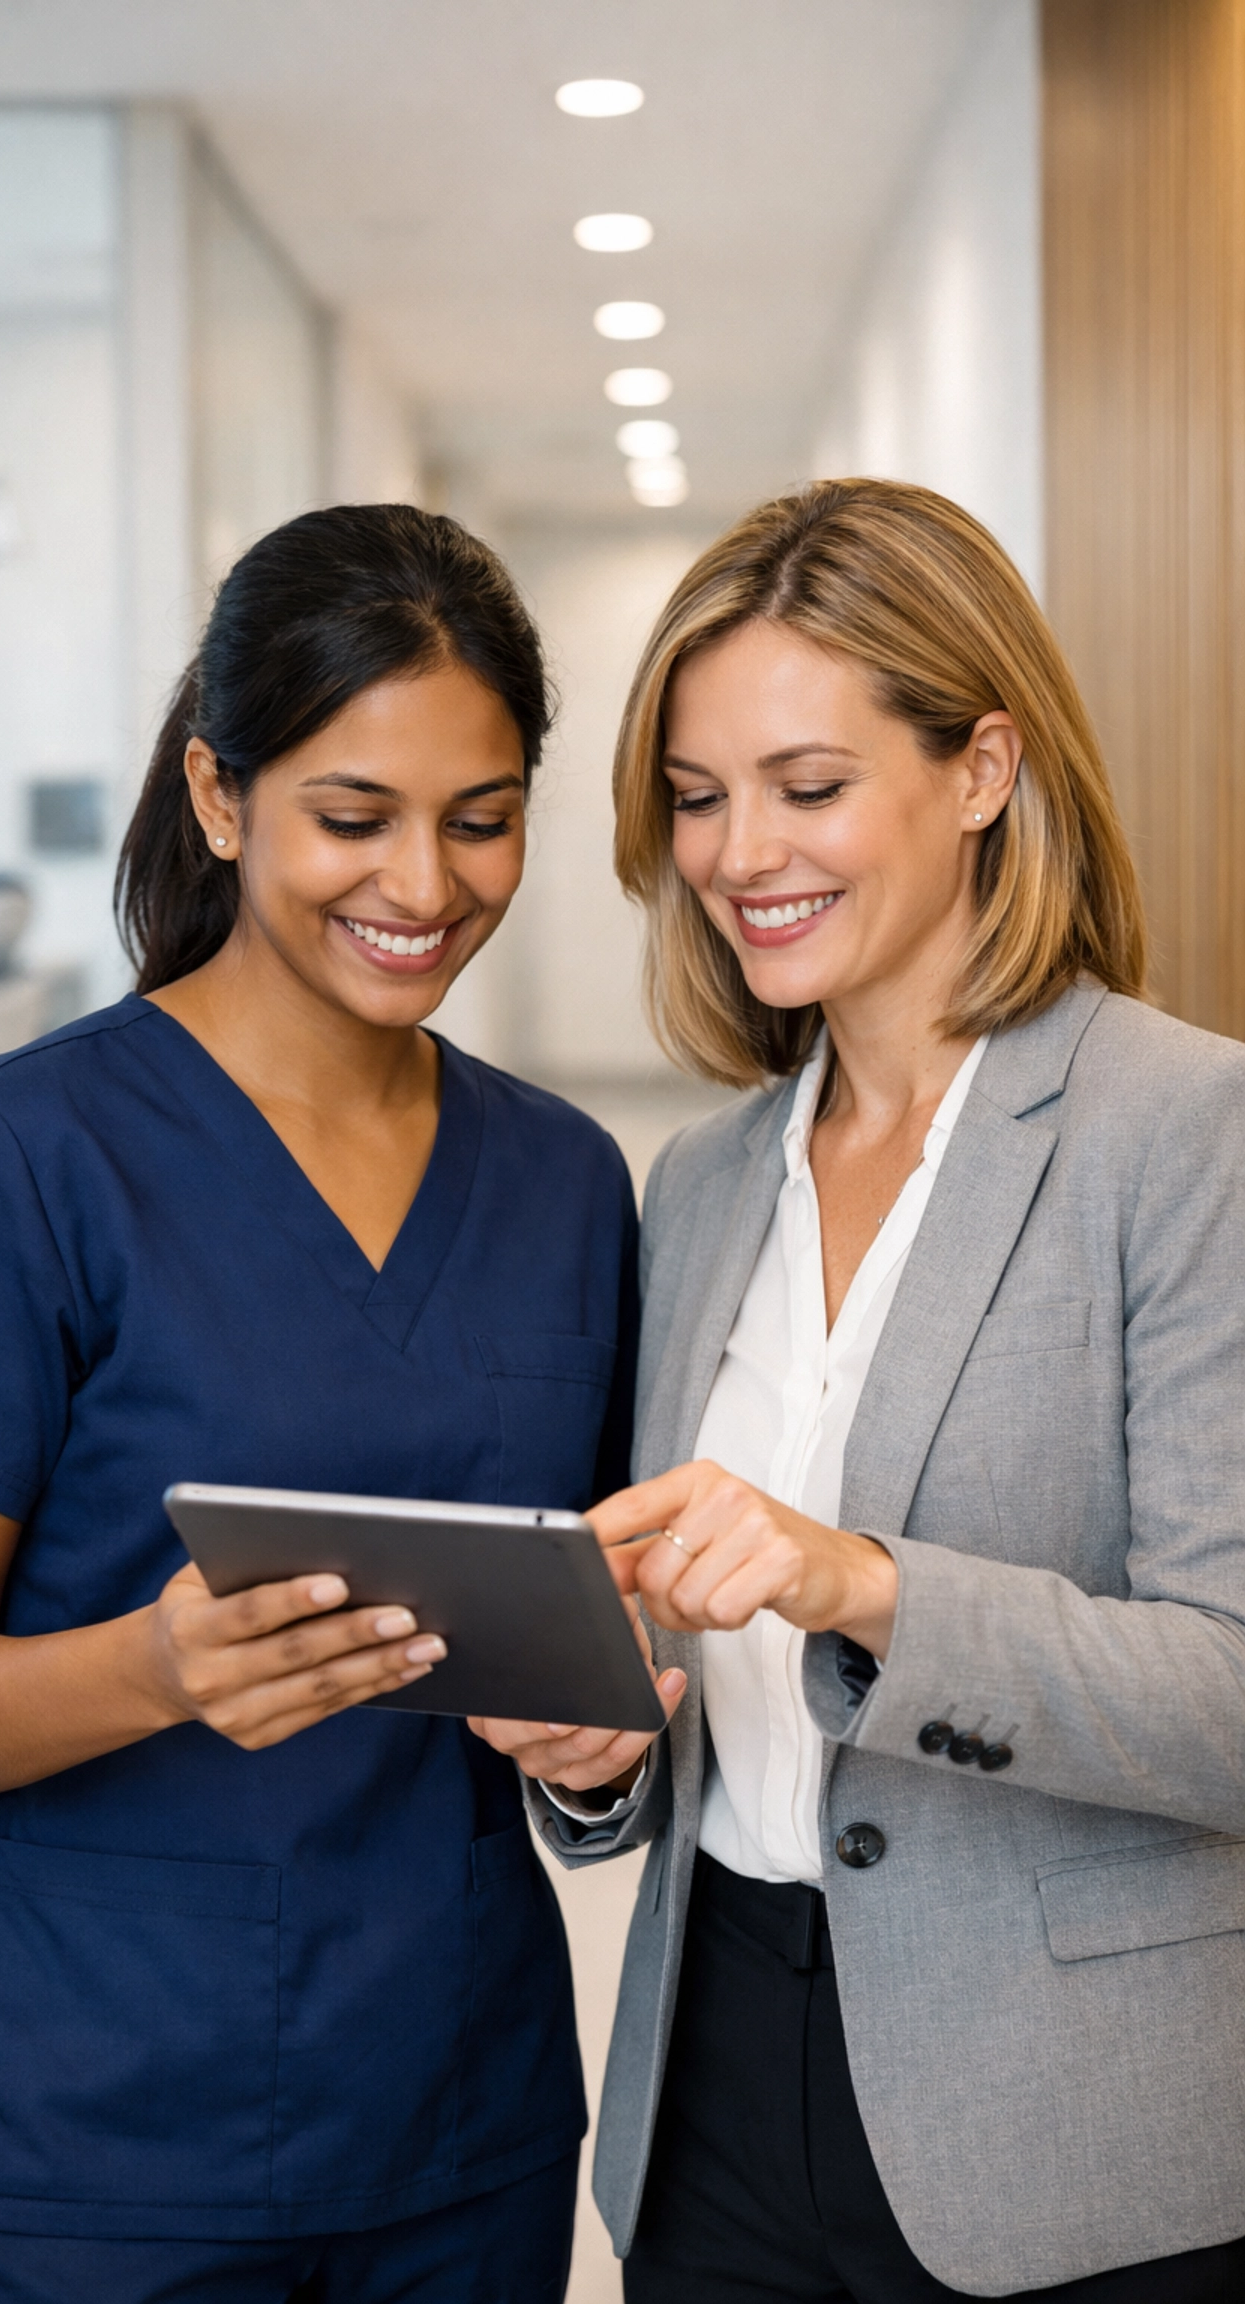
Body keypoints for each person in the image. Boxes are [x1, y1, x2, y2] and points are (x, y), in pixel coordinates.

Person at [0, 503, 679, 2304]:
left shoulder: (564, 1184)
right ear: (220, 797)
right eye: (353, 818)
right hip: (71, 2141)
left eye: (482, 819)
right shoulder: (17, 1161)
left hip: (454, 2128)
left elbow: (587, 1646)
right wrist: (153, 1668)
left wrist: (601, 1757)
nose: (423, 886)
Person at [472, 479, 1245, 2299]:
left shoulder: (1184, 1135)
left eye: (807, 787)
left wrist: (861, 1583)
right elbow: (694, 1701)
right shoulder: (701, 1184)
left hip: (1071, 2127)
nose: (741, 853)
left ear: (983, 769)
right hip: (717, 2082)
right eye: (697, 796)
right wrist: (603, 1746)